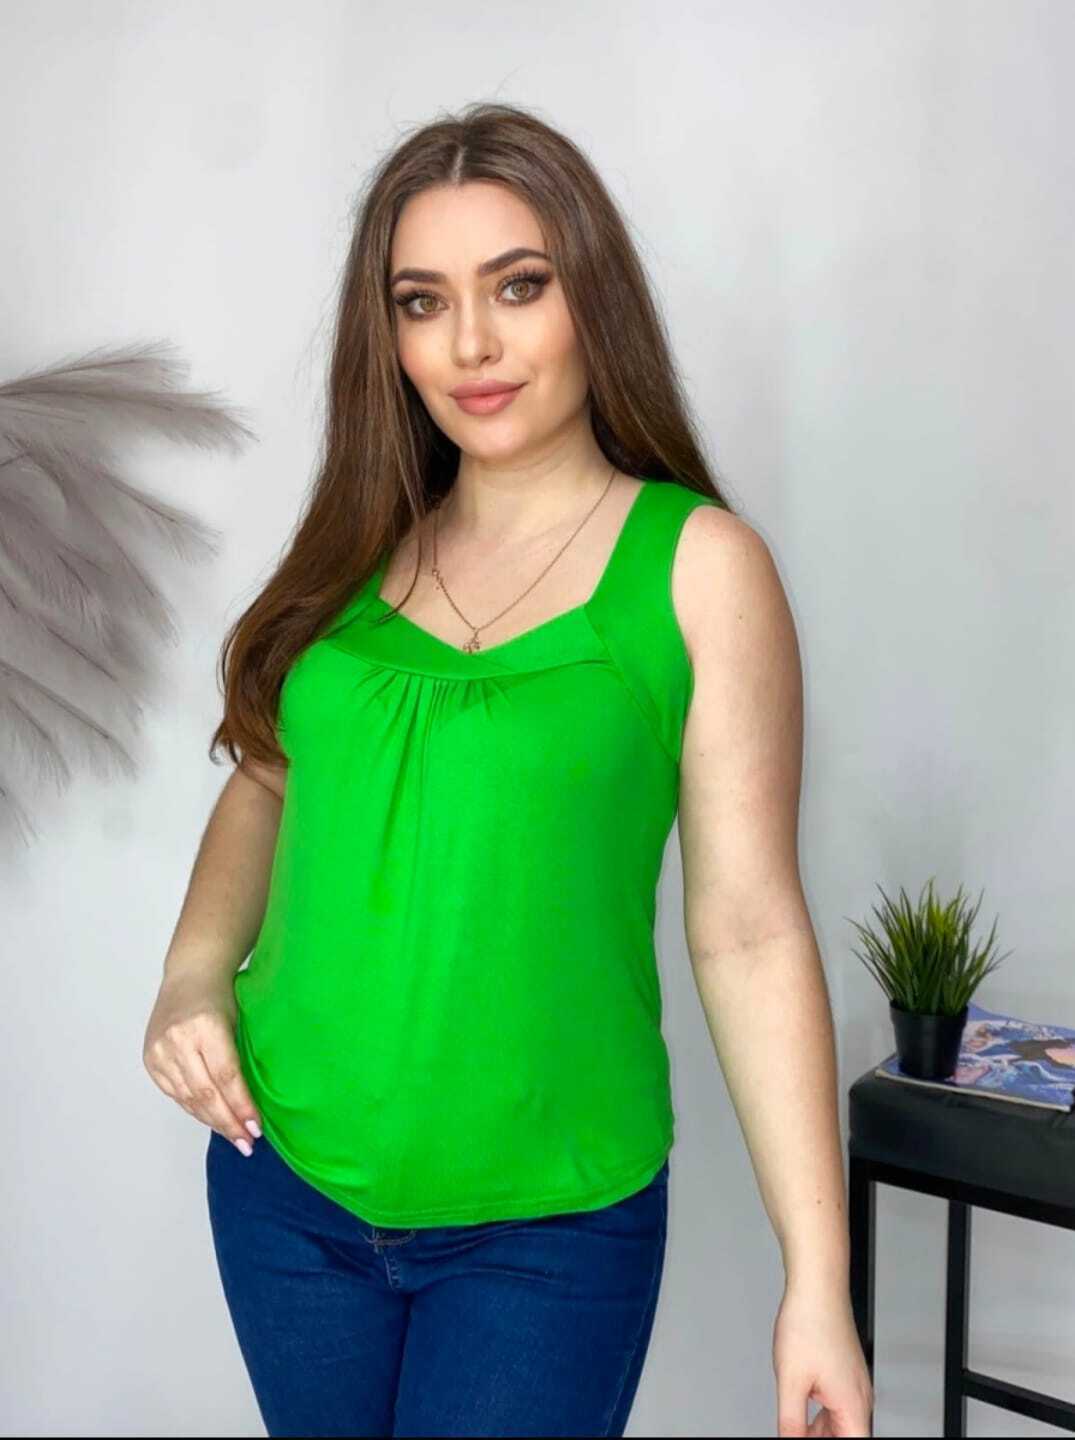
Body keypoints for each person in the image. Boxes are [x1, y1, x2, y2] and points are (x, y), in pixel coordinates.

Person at [142, 100, 873, 1438]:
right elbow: (269, 780)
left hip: (546, 1235)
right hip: (285, 1193)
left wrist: (817, 1283)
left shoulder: (699, 569)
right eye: (423, 302)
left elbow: (750, 928)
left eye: (518, 286)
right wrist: (193, 975)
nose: (470, 344)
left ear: (593, 298)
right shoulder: (357, 551)